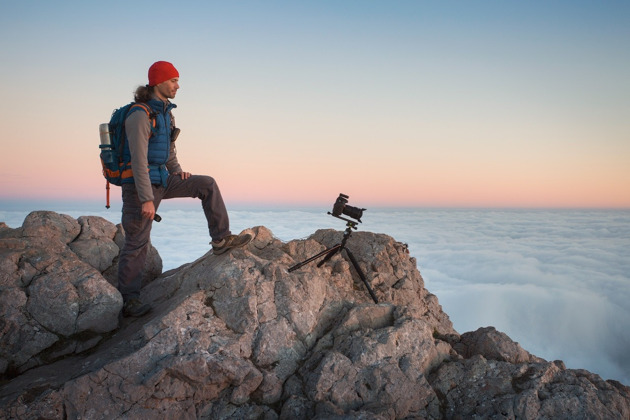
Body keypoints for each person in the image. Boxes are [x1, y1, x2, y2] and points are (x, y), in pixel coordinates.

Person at [118, 60, 252, 317]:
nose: (178, 86)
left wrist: (177, 170)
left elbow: (167, 150)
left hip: (163, 180)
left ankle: (221, 239)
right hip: (139, 187)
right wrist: (146, 199)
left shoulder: (166, 113)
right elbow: (138, 159)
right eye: (173, 81)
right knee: (137, 242)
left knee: (206, 184)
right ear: (158, 82)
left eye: (177, 81)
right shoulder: (139, 114)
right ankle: (129, 301)